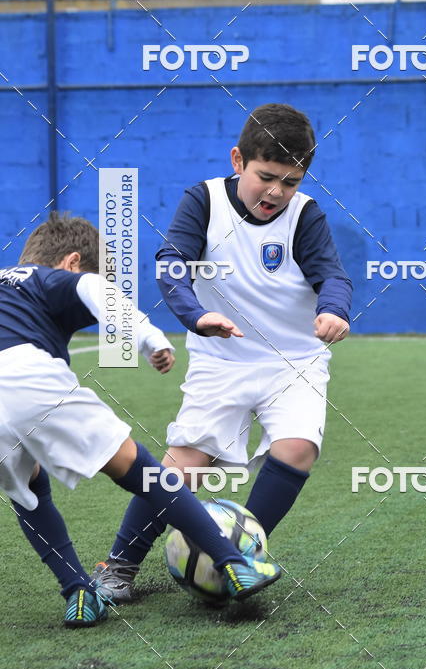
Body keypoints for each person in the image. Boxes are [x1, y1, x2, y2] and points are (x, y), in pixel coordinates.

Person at [95, 103, 352, 603]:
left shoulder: (305, 215)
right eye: (267, 177)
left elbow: (332, 274)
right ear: (238, 161)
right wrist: (197, 317)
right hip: (222, 358)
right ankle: (119, 565)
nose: (277, 192)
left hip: (294, 360)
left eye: (292, 181)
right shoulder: (204, 201)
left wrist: (334, 308)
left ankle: (239, 556)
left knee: (297, 447)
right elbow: (172, 263)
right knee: (184, 465)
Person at [0, 212, 281, 628]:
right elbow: (93, 288)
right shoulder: (45, 277)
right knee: (144, 472)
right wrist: (149, 337)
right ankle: (232, 562)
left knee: (28, 489)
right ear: (71, 262)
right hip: (24, 375)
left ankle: (78, 591)